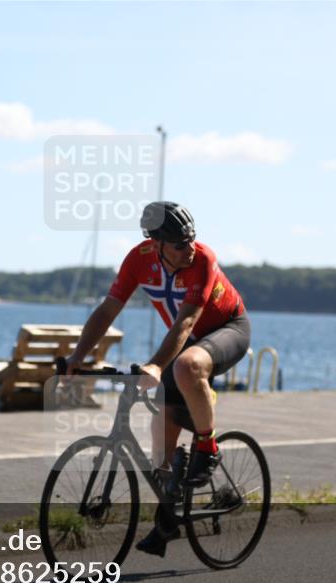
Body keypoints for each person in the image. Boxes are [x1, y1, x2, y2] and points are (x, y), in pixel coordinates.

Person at [62, 201, 250, 557]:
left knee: (186, 366)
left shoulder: (203, 261)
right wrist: (77, 358)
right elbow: (107, 310)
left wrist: (155, 366)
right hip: (185, 344)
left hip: (228, 330)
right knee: (160, 449)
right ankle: (168, 519)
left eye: (192, 239)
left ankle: (208, 446)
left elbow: (186, 325)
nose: (189, 248)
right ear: (157, 244)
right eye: (180, 244)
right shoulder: (138, 259)